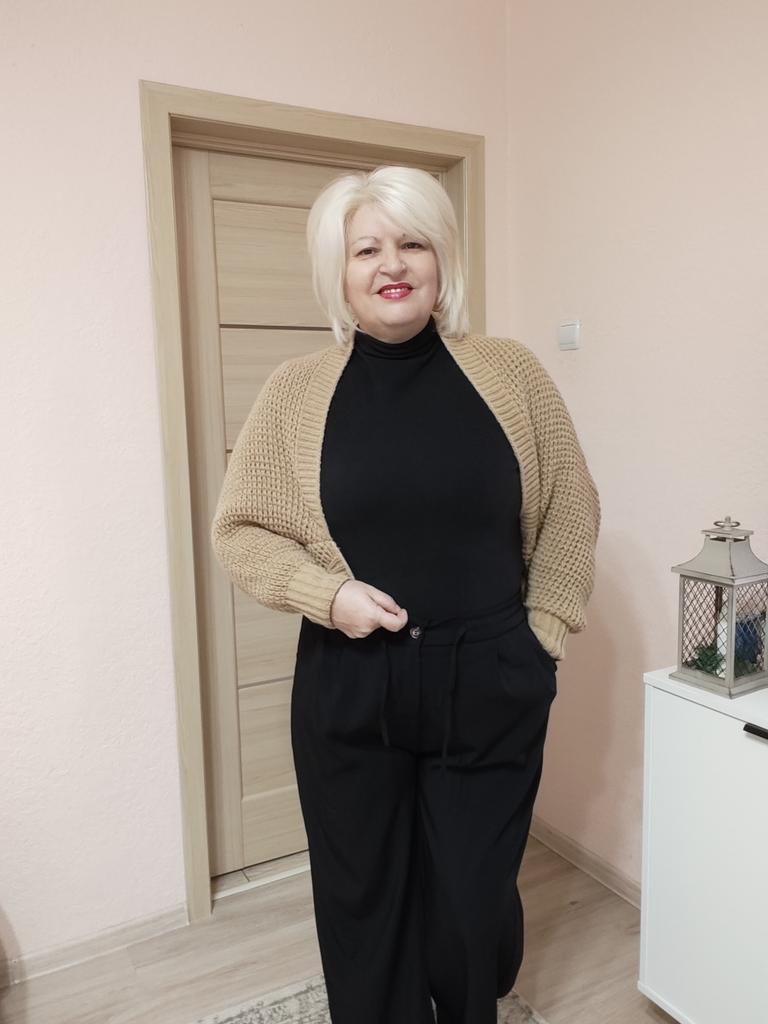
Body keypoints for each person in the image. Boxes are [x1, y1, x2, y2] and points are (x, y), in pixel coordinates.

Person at [210, 165, 601, 1024]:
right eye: (367, 249)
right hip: (352, 681)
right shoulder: (294, 391)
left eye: (413, 243)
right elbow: (240, 530)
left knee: (470, 904)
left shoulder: (510, 372)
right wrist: (327, 595)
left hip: (490, 678)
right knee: (363, 901)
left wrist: (542, 630)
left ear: (441, 259)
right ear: (339, 272)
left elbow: (572, 506)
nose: (392, 264)